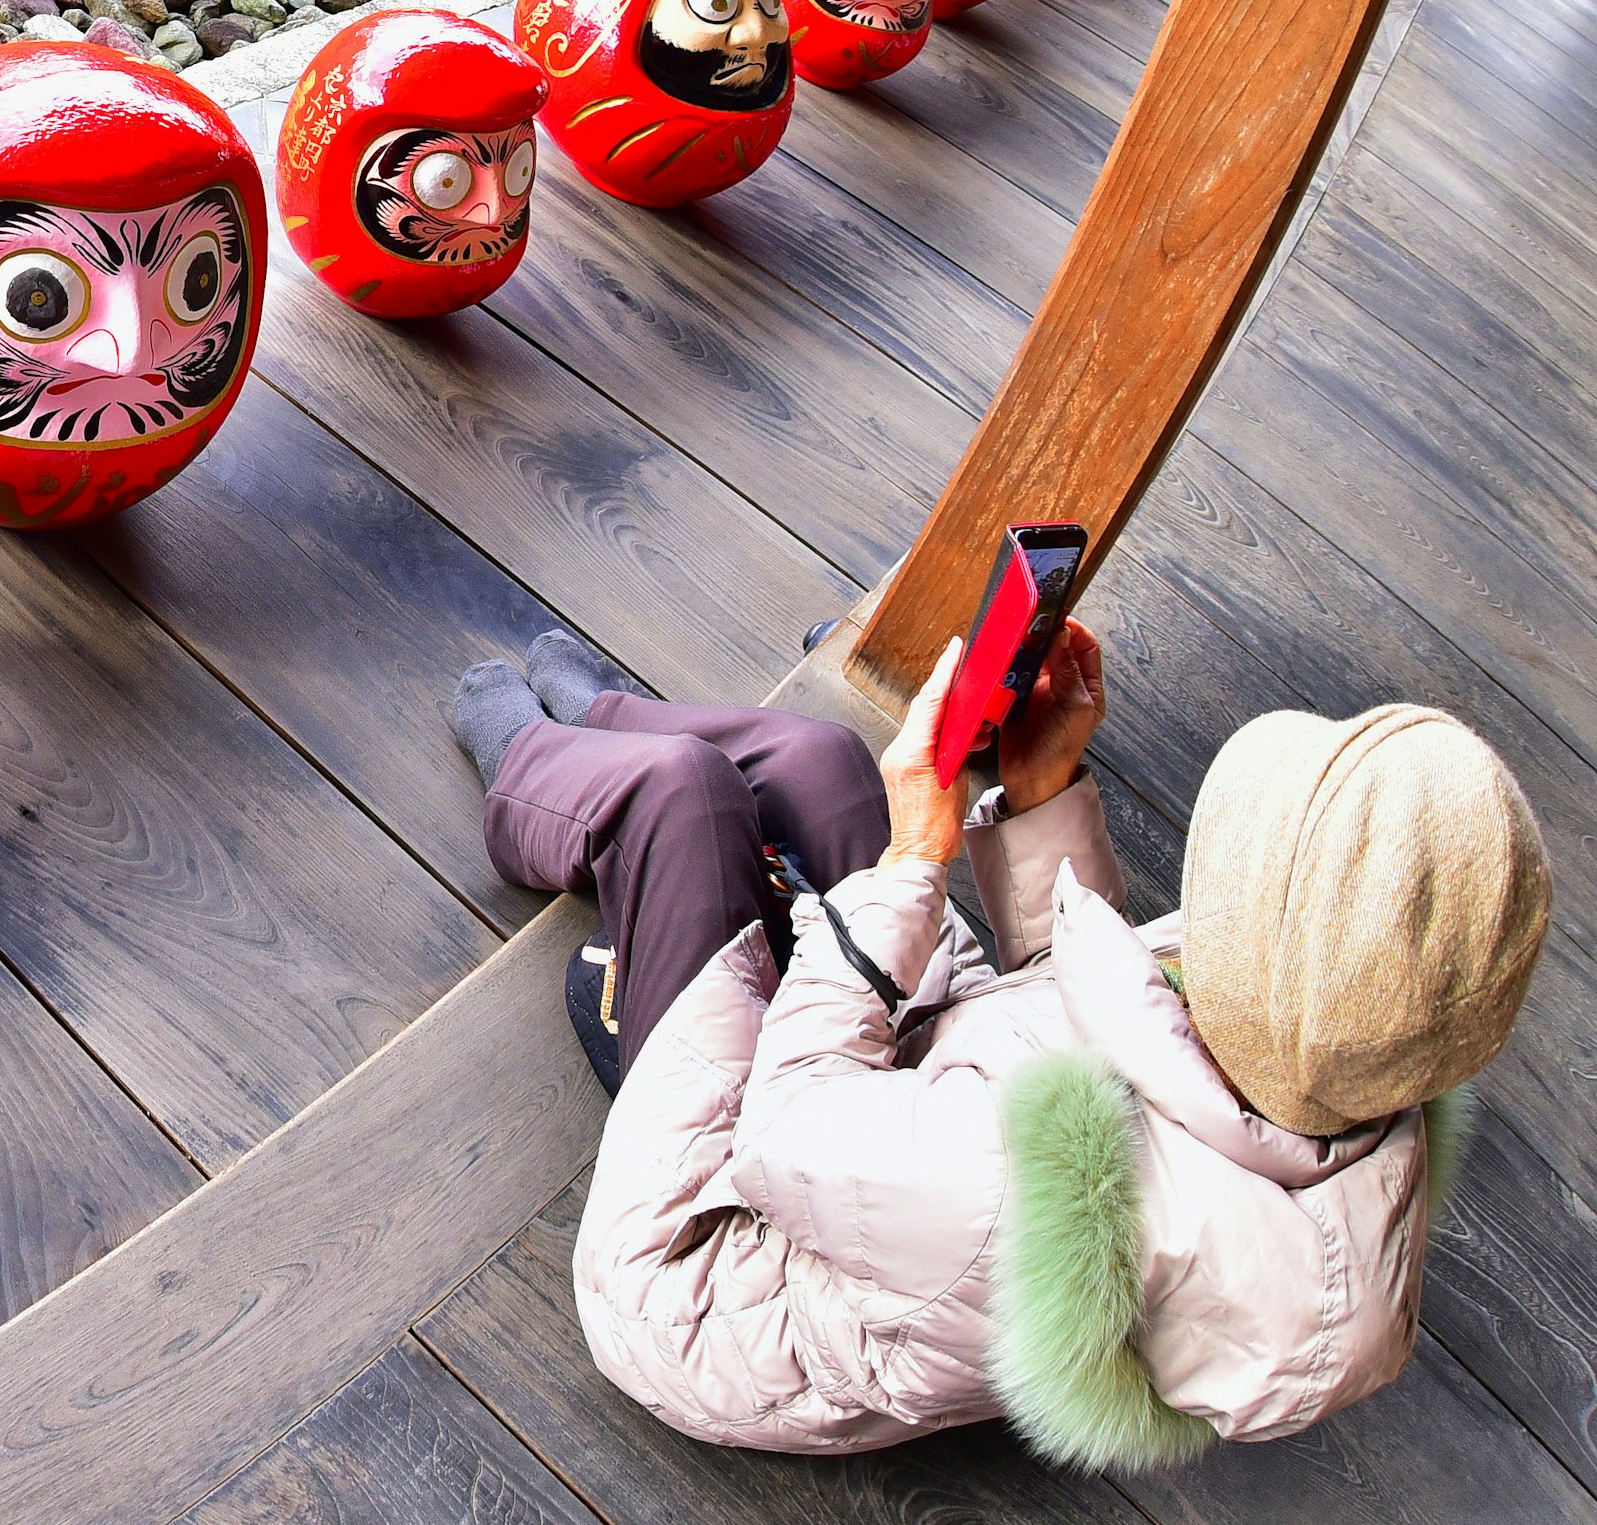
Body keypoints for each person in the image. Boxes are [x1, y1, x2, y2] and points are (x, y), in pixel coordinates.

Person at [449, 623, 1551, 1467]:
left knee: (681, 806)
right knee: (831, 765)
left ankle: (537, 770)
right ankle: (602, 716)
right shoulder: (1335, 1041)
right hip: (922, 1113)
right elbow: (1104, 1015)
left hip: (706, 1255)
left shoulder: (1042, 1186)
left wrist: (915, 866)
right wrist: (1040, 795)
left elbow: (783, 1137)